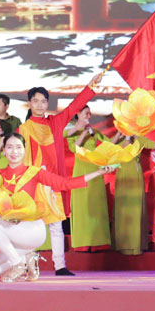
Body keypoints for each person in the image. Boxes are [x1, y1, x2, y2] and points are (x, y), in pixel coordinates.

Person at [0, 132, 116, 282]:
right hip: (13, 232)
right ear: (4, 151)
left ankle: (18, 263)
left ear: (24, 151)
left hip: (32, 230)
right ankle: (27, 257)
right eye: (9, 147)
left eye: (18, 147)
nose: (14, 152)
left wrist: (99, 172)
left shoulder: (34, 172)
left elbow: (65, 184)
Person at [20, 73, 104, 275]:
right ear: (30, 103)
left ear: (47, 103)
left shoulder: (55, 123)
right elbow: (21, 158)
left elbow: (74, 107)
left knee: (56, 225)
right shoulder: (24, 129)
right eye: (36, 101)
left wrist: (90, 86)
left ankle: (60, 266)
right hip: (34, 182)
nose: (40, 105)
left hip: (54, 181)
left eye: (43, 101)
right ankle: (26, 265)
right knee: (31, 225)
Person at [64, 107, 111, 250]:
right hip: (81, 169)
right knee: (83, 205)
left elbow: (109, 143)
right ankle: (82, 243)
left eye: (90, 113)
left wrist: (122, 135)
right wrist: (84, 133)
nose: (89, 116)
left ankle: (98, 243)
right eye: (86, 113)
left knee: (96, 204)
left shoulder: (94, 131)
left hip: (95, 169)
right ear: (78, 114)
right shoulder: (71, 131)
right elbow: (74, 148)